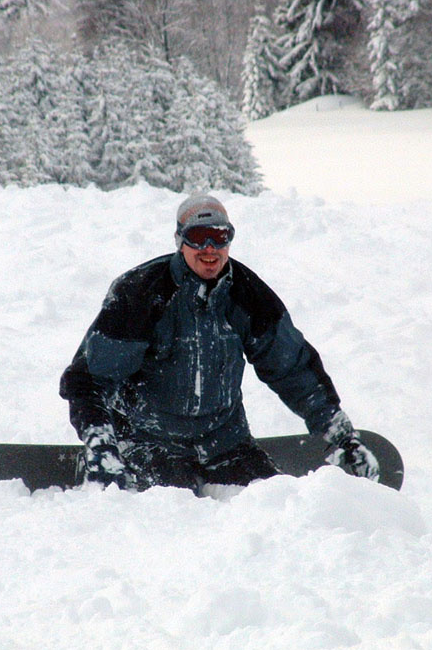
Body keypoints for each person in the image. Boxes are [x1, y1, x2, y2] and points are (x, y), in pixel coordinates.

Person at [59, 193, 378, 494]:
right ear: (180, 240)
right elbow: (90, 380)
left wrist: (341, 437)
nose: (210, 248)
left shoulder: (248, 295)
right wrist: (101, 444)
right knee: (173, 513)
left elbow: (292, 369)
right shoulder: (141, 293)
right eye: (198, 237)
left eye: (220, 237)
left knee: (274, 507)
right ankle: (102, 465)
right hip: (147, 441)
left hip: (225, 443)